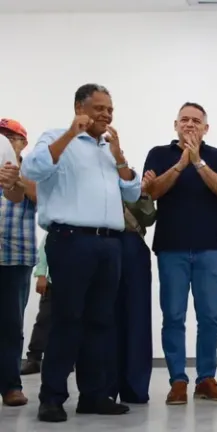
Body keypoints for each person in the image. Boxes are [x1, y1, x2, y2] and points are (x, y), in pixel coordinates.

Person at [21, 83, 141, 422]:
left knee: (101, 322)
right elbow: (33, 170)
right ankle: (52, 398)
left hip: (110, 243)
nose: (106, 115)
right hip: (71, 240)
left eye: (110, 110)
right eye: (99, 108)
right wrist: (70, 134)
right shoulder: (56, 137)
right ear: (79, 108)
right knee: (67, 319)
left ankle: (94, 395)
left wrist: (120, 157)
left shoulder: (108, 149)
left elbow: (132, 194)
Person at [143, 102, 217, 405]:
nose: (190, 124)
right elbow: (152, 191)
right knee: (173, 316)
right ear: (175, 125)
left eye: (196, 121)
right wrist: (182, 164)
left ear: (206, 128)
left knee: (210, 317)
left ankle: (206, 378)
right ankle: (178, 381)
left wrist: (198, 162)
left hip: (209, 248)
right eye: (185, 119)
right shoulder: (159, 154)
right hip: (172, 248)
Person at [107, 173, 157, 404]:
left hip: (131, 243)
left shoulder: (129, 177)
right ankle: (105, 387)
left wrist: (143, 192)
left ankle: (135, 387)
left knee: (137, 318)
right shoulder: (87, 174)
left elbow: (148, 217)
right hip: (101, 242)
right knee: (103, 318)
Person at [0, 118, 36, 408]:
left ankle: (11, 386)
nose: (5, 142)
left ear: (23, 143)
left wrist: (17, 179)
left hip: (16, 256)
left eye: (11, 137)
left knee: (11, 325)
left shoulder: (32, 170)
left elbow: (41, 199)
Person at [21, 234, 51, 376]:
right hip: (54, 283)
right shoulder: (57, 227)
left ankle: (67, 360)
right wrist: (41, 275)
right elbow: (43, 251)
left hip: (80, 284)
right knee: (44, 320)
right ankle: (34, 359)